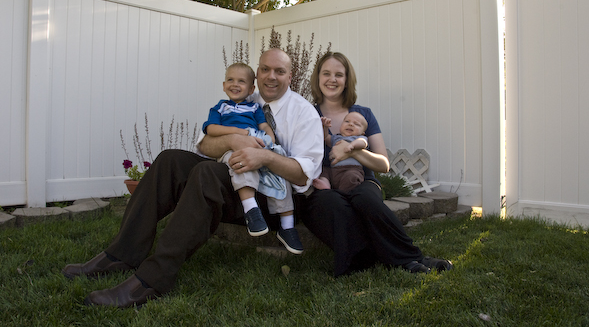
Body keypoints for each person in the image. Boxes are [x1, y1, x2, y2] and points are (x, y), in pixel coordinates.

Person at [61, 48, 324, 308]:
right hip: (237, 181)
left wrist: (265, 157)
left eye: (279, 71)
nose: (271, 76)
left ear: (291, 76)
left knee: (207, 173)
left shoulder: (303, 113)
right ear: (257, 73)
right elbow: (204, 145)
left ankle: (153, 278)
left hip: (276, 202)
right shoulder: (243, 97)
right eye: (265, 69)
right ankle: (121, 254)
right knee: (170, 160)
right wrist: (232, 139)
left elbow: (303, 176)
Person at [298, 52, 453, 277]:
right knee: (333, 204)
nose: (332, 79)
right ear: (318, 78)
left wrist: (353, 151)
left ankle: (412, 258)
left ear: (347, 80)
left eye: (339, 74)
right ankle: (374, 258)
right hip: (324, 185)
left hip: (362, 180)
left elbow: (383, 164)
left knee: (367, 199)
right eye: (326, 74)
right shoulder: (308, 114)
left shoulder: (364, 114)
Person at [203, 62, 301, 247]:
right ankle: (251, 211)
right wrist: (238, 133)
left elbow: (264, 126)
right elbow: (211, 129)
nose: (235, 84)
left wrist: (270, 140)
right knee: (242, 162)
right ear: (223, 85)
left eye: (241, 81)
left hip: (256, 143)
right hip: (230, 147)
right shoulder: (220, 107)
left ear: (251, 89)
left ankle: (287, 226)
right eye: (230, 80)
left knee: (280, 172)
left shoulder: (255, 108)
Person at [313, 111, 369, 192]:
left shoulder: (359, 138)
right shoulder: (336, 137)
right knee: (323, 170)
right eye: (347, 121)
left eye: (356, 124)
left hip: (352, 169)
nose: (351, 124)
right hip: (334, 170)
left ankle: (343, 193)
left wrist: (352, 145)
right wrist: (325, 127)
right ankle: (325, 184)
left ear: (362, 133)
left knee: (351, 177)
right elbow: (326, 137)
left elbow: (363, 143)